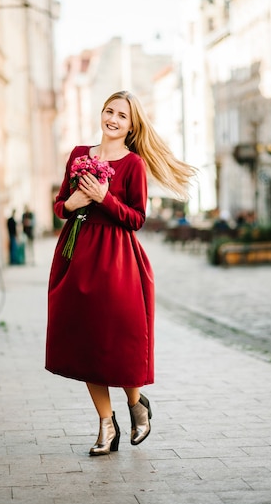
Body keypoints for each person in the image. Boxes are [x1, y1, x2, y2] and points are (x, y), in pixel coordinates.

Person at [45, 90, 195, 456]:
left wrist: (103, 198)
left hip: (117, 258)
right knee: (86, 341)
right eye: (109, 111)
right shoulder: (79, 155)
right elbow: (60, 205)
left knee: (118, 337)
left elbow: (137, 218)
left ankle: (136, 402)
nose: (112, 119)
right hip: (76, 254)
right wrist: (71, 203)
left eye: (121, 116)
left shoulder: (133, 165)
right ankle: (106, 425)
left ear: (131, 126)